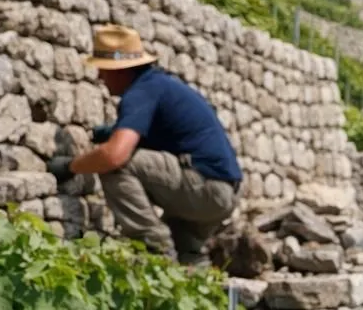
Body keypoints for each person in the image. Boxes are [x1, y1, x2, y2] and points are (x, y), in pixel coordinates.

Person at [47, 24, 242, 265]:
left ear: (120, 70)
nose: (100, 77)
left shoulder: (142, 91)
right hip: (222, 194)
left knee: (117, 166)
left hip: (206, 188)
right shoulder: (160, 85)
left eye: (103, 70)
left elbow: (113, 156)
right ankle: (194, 279)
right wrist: (110, 131)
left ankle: (155, 251)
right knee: (186, 255)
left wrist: (71, 167)